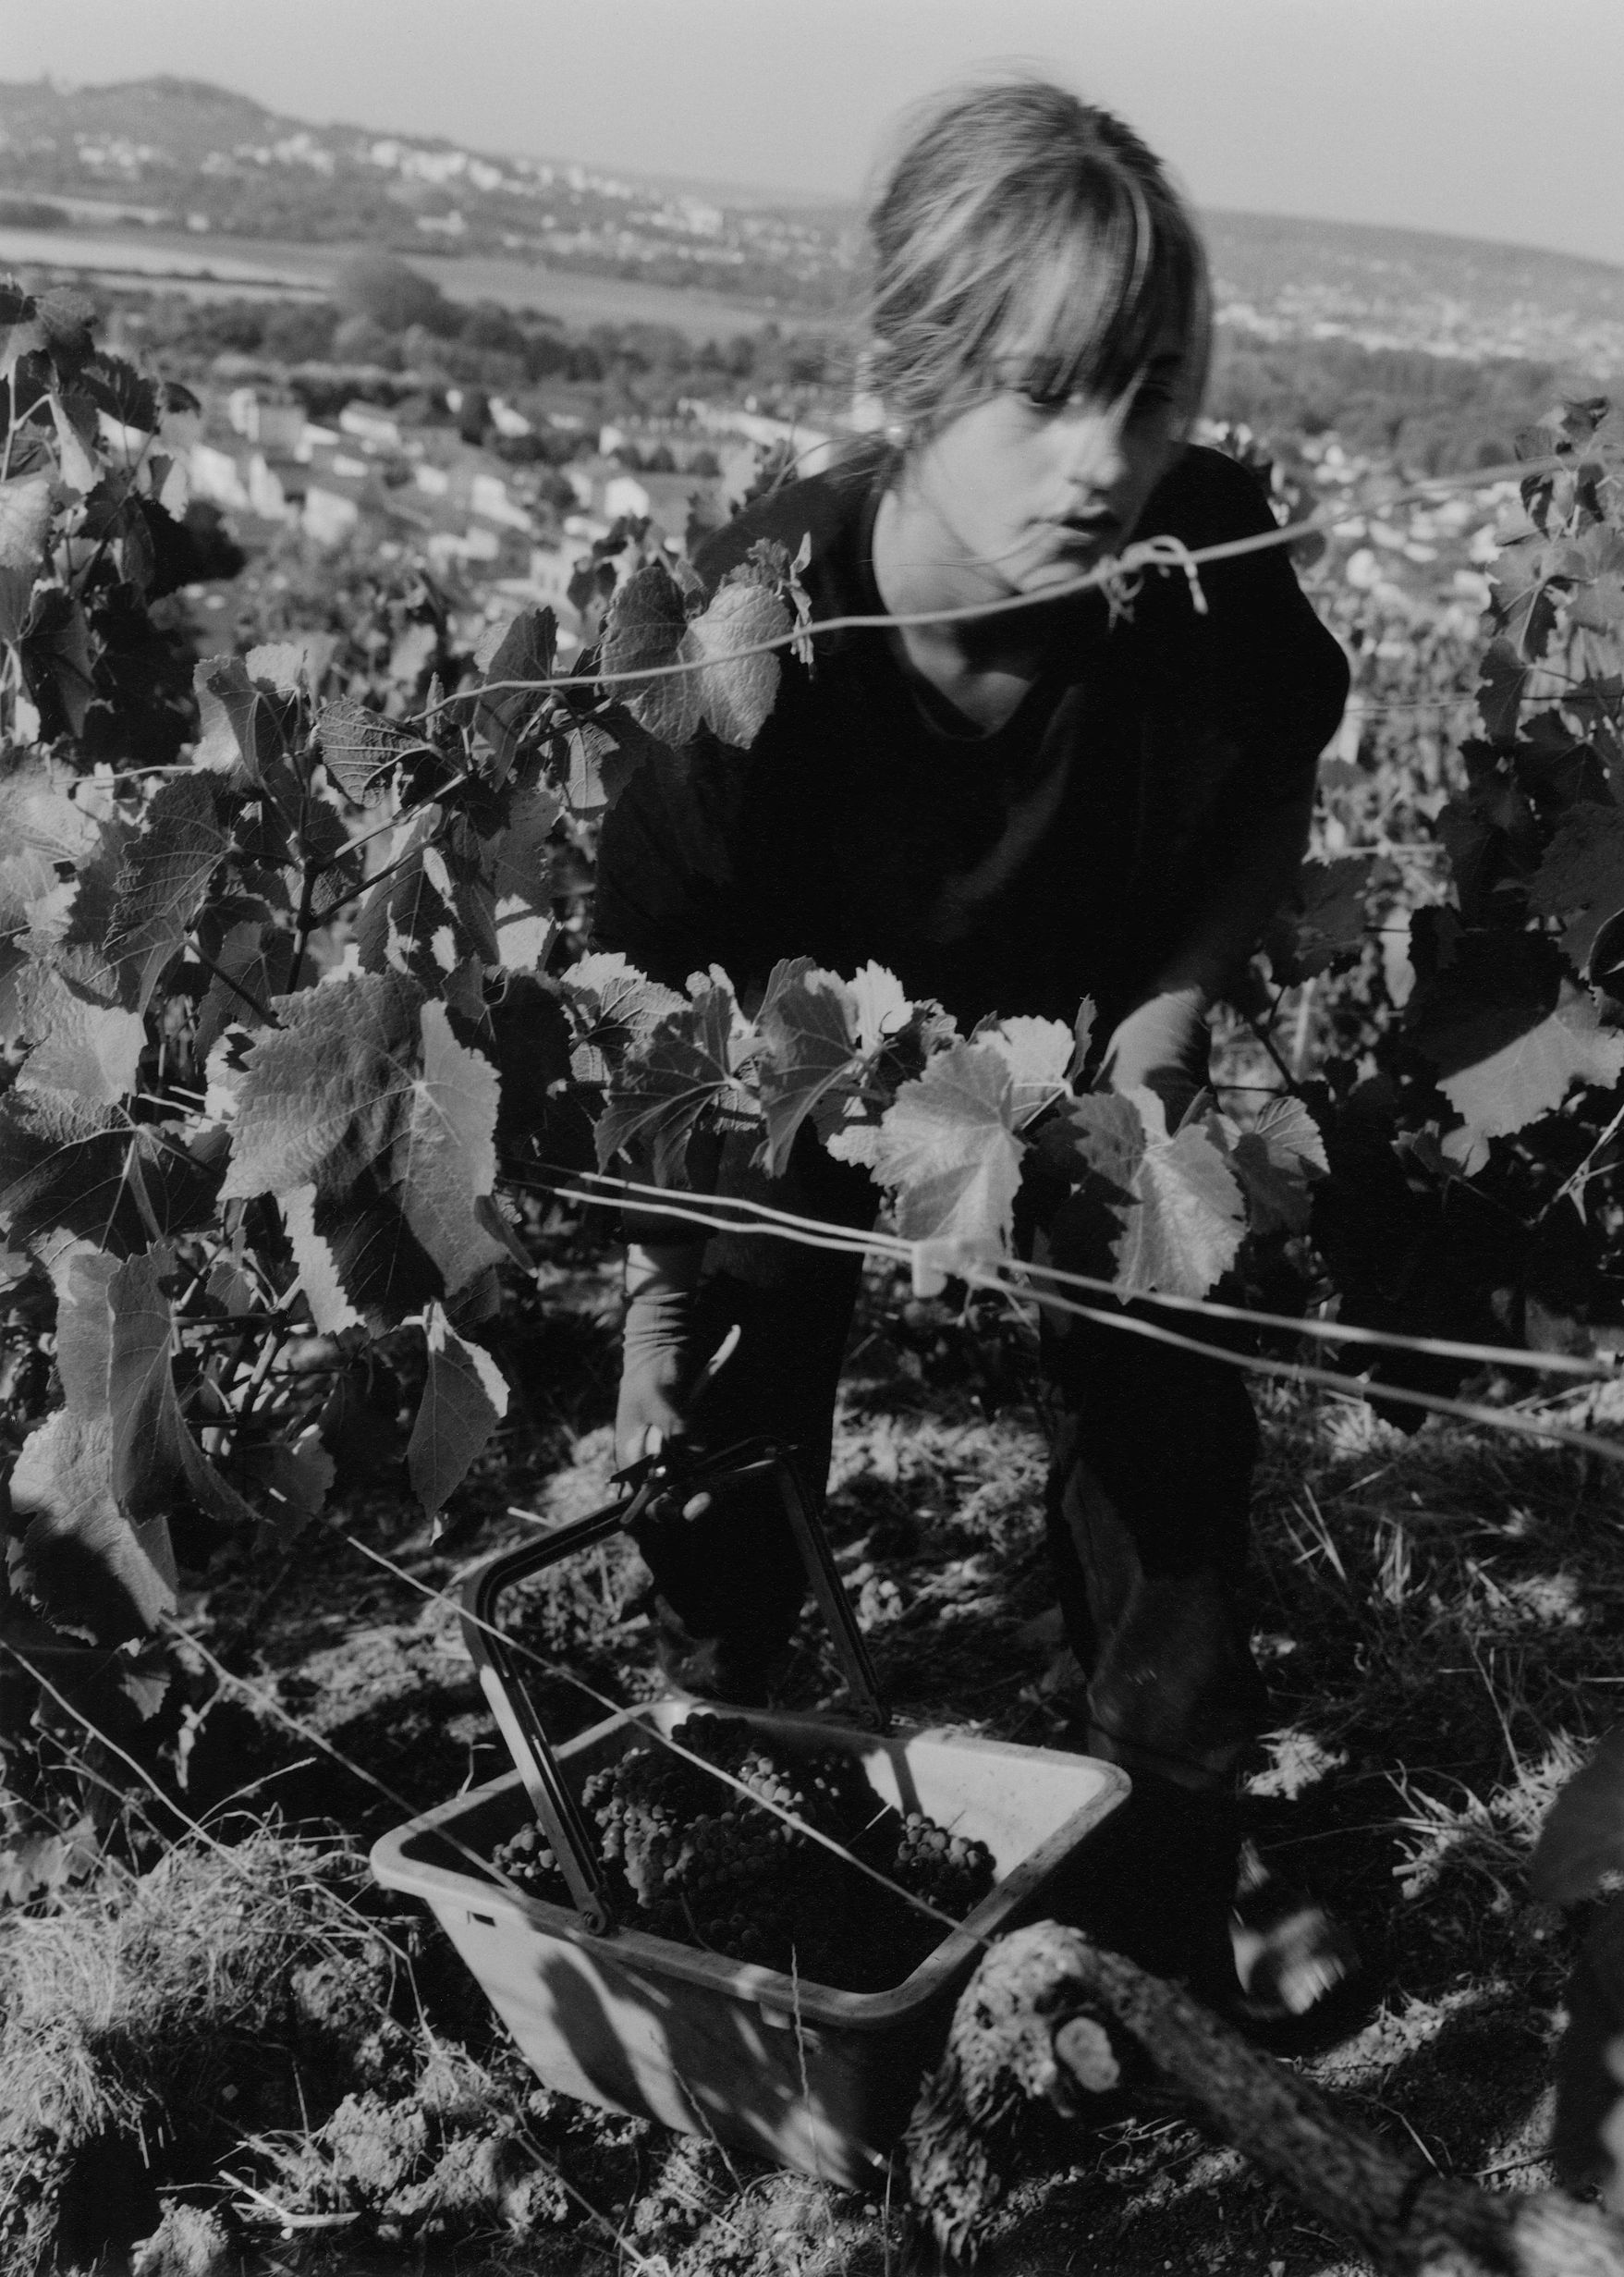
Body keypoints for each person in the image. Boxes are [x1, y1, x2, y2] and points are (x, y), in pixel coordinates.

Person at [592, 80, 1350, 2010]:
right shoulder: (756, 641)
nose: (1106, 461)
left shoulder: (1202, 555)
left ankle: (1176, 1827)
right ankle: (719, 1731)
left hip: (1091, 1035)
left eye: (1152, 394)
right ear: (911, 374)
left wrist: (1178, 996)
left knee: (1164, 1389)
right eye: (1043, 393)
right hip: (801, 1046)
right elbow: (648, 983)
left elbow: (1273, 767)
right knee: (750, 1335)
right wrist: (664, 1276)